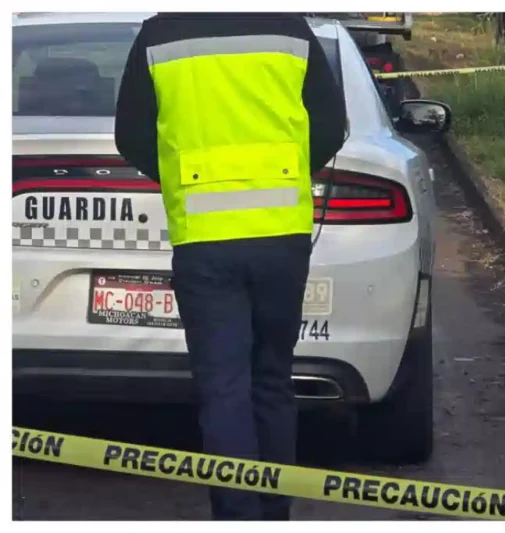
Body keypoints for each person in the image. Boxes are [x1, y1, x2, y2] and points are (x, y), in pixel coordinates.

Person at [114, 12, 347, 521]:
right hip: (280, 236)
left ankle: (237, 516)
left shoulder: (159, 34)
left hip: (204, 239)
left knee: (224, 388)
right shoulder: (290, 29)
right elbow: (332, 126)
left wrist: (185, 178)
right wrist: (280, 177)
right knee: (272, 379)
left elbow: (130, 135)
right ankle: (273, 512)